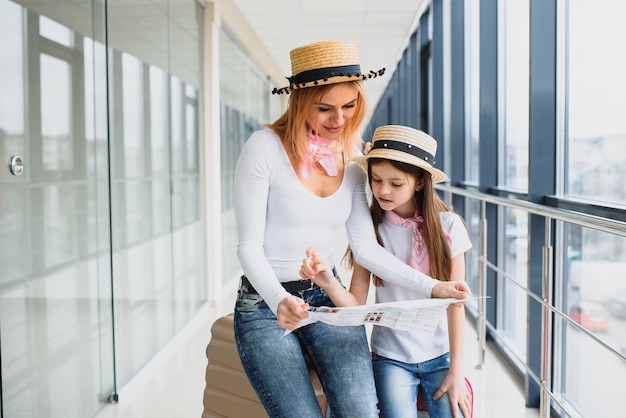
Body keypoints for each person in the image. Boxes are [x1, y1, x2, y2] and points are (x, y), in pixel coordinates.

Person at [233, 40, 471, 418]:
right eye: (325, 108)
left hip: (327, 302)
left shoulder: (352, 160)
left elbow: (366, 248)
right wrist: (280, 300)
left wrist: (433, 287)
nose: (338, 120)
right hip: (264, 304)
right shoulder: (263, 148)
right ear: (298, 101)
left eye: (349, 106)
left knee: (361, 410)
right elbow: (247, 246)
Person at [300, 125, 474, 418]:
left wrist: (457, 371)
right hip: (391, 358)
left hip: (440, 355)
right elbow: (356, 302)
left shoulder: (449, 226)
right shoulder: (370, 232)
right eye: (376, 180)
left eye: (395, 183)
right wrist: (328, 282)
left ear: (419, 183)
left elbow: (456, 306)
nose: (382, 190)